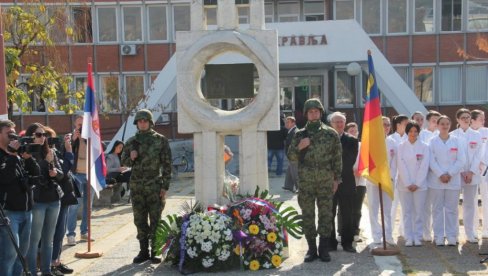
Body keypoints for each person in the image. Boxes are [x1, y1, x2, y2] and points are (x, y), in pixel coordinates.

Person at [288, 98, 342, 263]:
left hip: (326, 179)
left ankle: (323, 248)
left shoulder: (331, 133)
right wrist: (300, 147)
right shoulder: (299, 134)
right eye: (310, 112)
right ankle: (311, 249)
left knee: (326, 214)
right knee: (308, 214)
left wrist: (336, 179)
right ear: (306, 114)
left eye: (316, 111)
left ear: (320, 112)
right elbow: (290, 156)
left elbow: (337, 158)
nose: (313, 114)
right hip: (306, 181)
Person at [121, 109, 172, 264]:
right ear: (137, 124)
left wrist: (165, 186)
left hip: (155, 186)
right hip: (137, 187)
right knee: (140, 220)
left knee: (156, 219)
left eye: (145, 121)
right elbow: (124, 162)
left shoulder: (160, 140)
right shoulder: (131, 142)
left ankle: (155, 251)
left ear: (150, 122)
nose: (142, 124)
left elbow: (167, 164)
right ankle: (143, 251)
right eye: (140, 121)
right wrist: (131, 157)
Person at [0, 119, 40, 276]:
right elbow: (4, 178)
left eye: (14, 133)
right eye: (9, 133)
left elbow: (35, 175)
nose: (13, 136)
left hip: (26, 210)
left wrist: (28, 158)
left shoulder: (16, 154)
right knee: (9, 255)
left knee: (21, 255)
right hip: (8, 212)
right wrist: (11, 155)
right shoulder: (6, 156)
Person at [25, 123, 64, 276]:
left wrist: (55, 172)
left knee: (49, 239)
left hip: (54, 199)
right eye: (39, 135)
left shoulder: (50, 151)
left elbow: (61, 174)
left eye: (44, 135)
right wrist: (46, 162)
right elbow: (33, 175)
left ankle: (47, 271)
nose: (42, 138)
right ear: (31, 136)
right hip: (37, 201)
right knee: (34, 240)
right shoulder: (26, 153)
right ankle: (33, 272)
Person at [428, 115, 465, 246]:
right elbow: (431, 161)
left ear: (450, 125)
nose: (444, 126)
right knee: (437, 209)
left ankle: (451, 236)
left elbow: (461, 160)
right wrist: (440, 174)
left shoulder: (457, 141)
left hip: (452, 180)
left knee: (452, 209)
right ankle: (438, 236)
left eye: (447, 124)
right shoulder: (432, 142)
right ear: (437, 126)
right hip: (436, 180)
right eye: (442, 124)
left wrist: (449, 174)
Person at [46, 127, 77, 275]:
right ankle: (52, 263)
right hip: (56, 198)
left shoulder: (55, 152)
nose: (53, 142)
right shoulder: (47, 154)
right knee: (55, 233)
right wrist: (69, 151)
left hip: (64, 196)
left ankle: (56, 260)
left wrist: (67, 148)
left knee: (60, 232)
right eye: (50, 138)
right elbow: (64, 170)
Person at [449, 108, 483, 243]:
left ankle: (470, 233)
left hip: (472, 175)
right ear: (457, 119)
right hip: (457, 175)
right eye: (463, 117)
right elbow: (453, 157)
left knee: (470, 205)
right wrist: (462, 171)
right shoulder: (452, 135)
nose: (466, 119)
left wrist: (471, 171)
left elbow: (478, 155)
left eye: (468, 117)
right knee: (453, 205)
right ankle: (454, 233)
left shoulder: (477, 135)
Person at [328, 112, 358, 253]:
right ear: (331, 124)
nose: (339, 124)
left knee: (347, 213)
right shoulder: (326, 139)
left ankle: (347, 242)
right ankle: (330, 242)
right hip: (328, 182)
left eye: (341, 122)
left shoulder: (352, 140)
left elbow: (349, 160)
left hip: (346, 181)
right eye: (336, 122)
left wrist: (337, 177)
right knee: (329, 213)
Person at [397, 121, 430, 246]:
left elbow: (424, 165)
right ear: (407, 132)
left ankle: (417, 236)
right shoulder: (401, 146)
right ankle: (408, 237)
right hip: (404, 185)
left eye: (415, 131)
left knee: (419, 211)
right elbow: (401, 165)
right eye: (410, 131)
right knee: (407, 212)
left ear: (418, 132)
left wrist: (417, 183)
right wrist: (407, 182)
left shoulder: (425, 147)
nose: (413, 133)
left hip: (420, 186)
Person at [366, 117, 395, 247]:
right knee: (374, 208)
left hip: (388, 180)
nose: (386, 127)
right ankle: (376, 235)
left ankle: (388, 235)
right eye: (383, 124)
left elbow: (395, 163)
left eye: (388, 125)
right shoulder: (370, 142)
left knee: (388, 209)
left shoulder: (393, 142)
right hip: (374, 180)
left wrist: (390, 176)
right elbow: (366, 161)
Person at [66, 115, 93, 245]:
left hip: (90, 174)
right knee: (74, 205)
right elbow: (65, 153)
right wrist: (73, 140)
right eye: (79, 125)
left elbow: (101, 150)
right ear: (75, 125)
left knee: (88, 205)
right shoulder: (70, 137)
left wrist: (87, 138)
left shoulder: (92, 137)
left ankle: (85, 232)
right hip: (76, 175)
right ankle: (70, 234)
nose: (81, 127)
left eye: (83, 125)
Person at [419, 110, 441, 242]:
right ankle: (426, 231)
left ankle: (437, 231)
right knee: (426, 205)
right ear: (428, 121)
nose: (436, 123)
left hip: (438, 175)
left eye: (438, 121)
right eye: (434, 120)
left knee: (438, 206)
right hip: (425, 174)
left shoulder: (443, 135)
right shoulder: (421, 134)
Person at [390, 114, 409, 238]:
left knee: (406, 207)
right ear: (398, 125)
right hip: (393, 178)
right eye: (405, 124)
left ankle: (404, 231)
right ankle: (388, 232)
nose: (408, 126)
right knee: (392, 206)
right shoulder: (390, 139)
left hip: (407, 178)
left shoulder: (411, 139)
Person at [346, 122, 366, 242]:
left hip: (360, 181)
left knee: (357, 209)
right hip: (347, 181)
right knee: (344, 209)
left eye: (355, 130)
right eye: (351, 131)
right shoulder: (343, 144)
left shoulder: (363, 146)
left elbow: (367, 162)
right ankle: (342, 232)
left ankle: (355, 232)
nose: (354, 132)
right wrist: (350, 172)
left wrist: (361, 171)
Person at [471, 110, 488, 238]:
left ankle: (486, 229)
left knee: (486, 200)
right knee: (472, 201)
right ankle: (473, 228)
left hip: (484, 170)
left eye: (484, 119)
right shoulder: (468, 133)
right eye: (481, 119)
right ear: (473, 120)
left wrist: (483, 163)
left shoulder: (486, 132)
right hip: (471, 171)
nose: (484, 121)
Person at [283, 116, 298, 192]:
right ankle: (288, 186)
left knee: (295, 172)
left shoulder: (295, 132)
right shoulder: (291, 131)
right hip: (290, 155)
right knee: (289, 171)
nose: (286, 124)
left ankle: (299, 188)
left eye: (288, 122)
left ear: (293, 123)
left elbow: (294, 145)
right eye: (285, 122)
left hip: (294, 156)